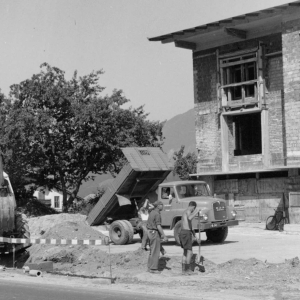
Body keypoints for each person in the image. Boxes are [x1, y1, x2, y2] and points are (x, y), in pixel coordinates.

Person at [146, 200, 168, 274]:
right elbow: (158, 226)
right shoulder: (157, 214)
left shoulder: (152, 212)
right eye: (162, 205)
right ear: (158, 206)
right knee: (155, 251)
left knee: (152, 250)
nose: (163, 206)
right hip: (154, 232)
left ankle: (149, 267)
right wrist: (164, 235)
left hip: (150, 232)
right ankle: (153, 269)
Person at [179, 201, 201, 275]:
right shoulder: (188, 211)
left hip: (183, 232)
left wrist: (196, 236)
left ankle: (183, 270)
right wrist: (196, 212)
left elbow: (190, 227)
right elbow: (190, 218)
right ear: (193, 207)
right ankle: (187, 270)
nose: (193, 211)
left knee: (185, 252)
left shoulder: (185, 212)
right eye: (194, 209)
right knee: (190, 252)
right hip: (186, 233)